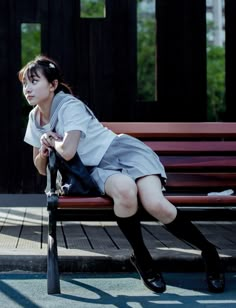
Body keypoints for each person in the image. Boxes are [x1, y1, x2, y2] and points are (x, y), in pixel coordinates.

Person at [19, 55, 225, 294]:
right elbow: (40, 167)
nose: (28, 88)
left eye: (34, 81)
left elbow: (67, 151)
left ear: (53, 85)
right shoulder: (34, 118)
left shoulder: (69, 106)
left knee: (158, 205)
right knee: (126, 193)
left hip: (124, 153)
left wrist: (53, 143)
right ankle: (142, 258)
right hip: (97, 169)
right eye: (25, 83)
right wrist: (44, 150)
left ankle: (210, 253)